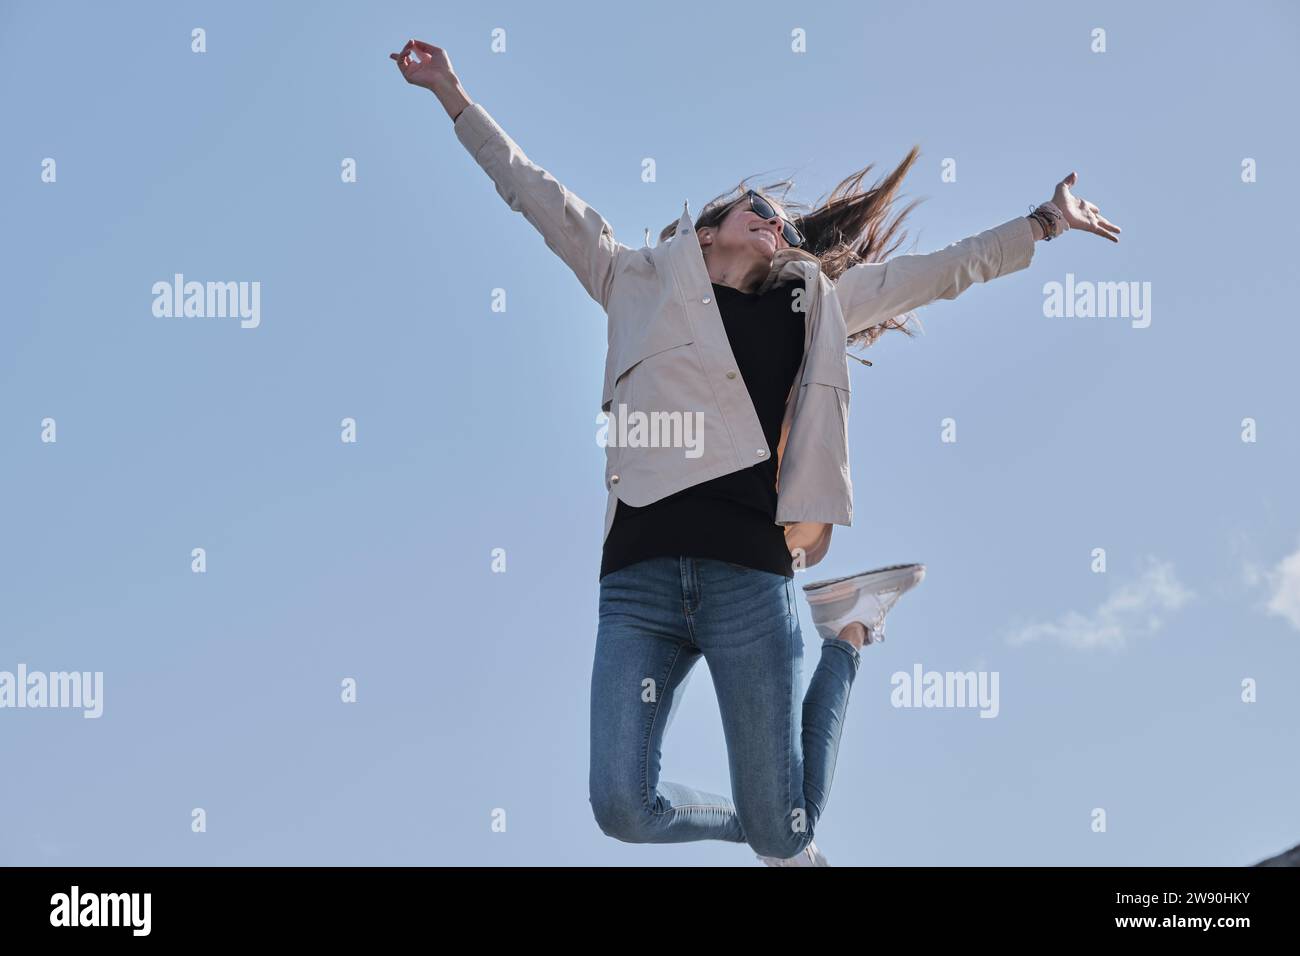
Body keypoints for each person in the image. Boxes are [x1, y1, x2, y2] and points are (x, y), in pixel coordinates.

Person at [391, 38, 1121, 866]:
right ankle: (758, 818)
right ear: (705, 234)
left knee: (789, 836)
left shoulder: (817, 304)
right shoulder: (629, 277)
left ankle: (846, 635)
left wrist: (1046, 222)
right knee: (624, 807)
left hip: (749, 575)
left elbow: (942, 271)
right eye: (756, 211)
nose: (775, 221)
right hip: (638, 582)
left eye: (780, 220)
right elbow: (535, 192)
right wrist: (453, 94)